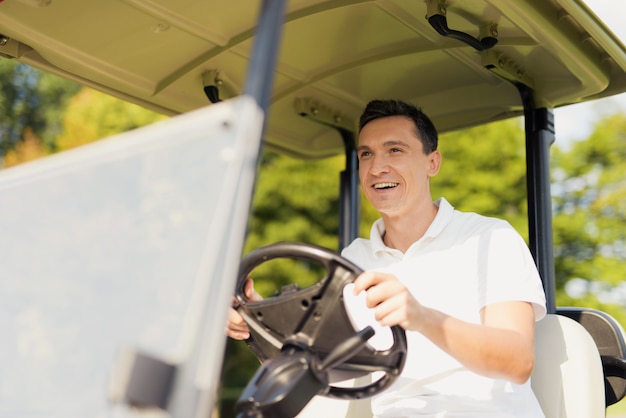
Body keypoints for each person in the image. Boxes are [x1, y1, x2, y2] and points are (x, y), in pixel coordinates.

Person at [227, 99, 547, 417]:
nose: (377, 167)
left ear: (432, 163)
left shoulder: (489, 238)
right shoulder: (354, 259)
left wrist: (421, 317)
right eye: (367, 154)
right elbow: (317, 369)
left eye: (395, 150)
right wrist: (257, 324)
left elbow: (518, 361)